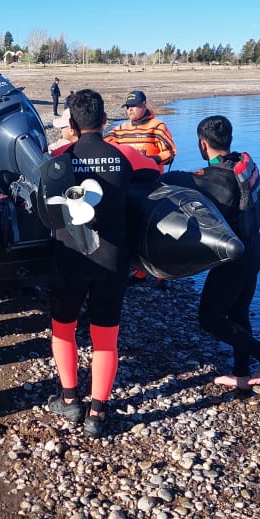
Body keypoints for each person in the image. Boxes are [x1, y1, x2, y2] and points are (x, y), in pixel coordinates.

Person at [161, 115, 260, 389]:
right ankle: (241, 375)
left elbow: (174, 179)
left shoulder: (211, 179)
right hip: (256, 250)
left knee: (209, 318)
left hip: (235, 258)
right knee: (238, 314)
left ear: (202, 145)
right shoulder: (244, 163)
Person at [40, 89, 133, 438]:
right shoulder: (124, 157)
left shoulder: (60, 159)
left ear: (72, 123)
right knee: (106, 337)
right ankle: (97, 413)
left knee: (63, 329)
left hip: (70, 258)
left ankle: (69, 400)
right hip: (112, 259)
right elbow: (152, 173)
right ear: (105, 120)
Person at [105, 90, 177, 169]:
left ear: (144, 105)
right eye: (127, 107)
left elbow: (170, 153)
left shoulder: (157, 127)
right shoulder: (120, 130)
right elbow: (100, 145)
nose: (130, 109)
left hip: (151, 177)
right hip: (127, 178)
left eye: (133, 105)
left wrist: (150, 160)